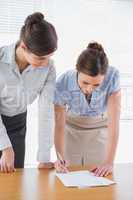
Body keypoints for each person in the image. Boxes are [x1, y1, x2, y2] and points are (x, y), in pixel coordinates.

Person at [0, 12, 57, 173]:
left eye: (49, 57)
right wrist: (5, 147)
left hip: (18, 124)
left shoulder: (49, 68)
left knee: (14, 179)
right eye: (40, 59)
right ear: (24, 46)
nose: (45, 63)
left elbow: (46, 112)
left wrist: (44, 158)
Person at [54, 42, 121, 176]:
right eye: (85, 82)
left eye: (97, 85)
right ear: (77, 70)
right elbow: (59, 125)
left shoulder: (112, 77)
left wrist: (109, 162)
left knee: (99, 175)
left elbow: (114, 123)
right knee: (69, 173)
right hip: (71, 129)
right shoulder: (63, 82)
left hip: (101, 127)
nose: (90, 89)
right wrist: (59, 156)